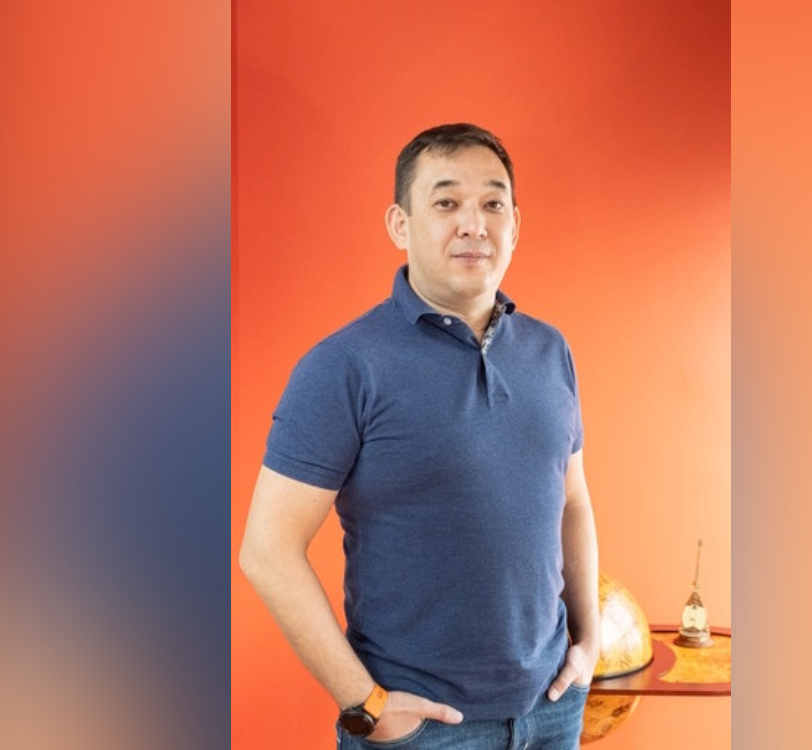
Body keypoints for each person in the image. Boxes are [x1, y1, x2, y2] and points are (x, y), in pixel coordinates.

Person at [239, 123, 600, 749]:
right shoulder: (344, 366)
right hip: (422, 729)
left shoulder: (550, 350)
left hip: (552, 709)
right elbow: (267, 550)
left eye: (493, 204)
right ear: (400, 225)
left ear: (515, 224)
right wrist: (365, 704)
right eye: (446, 202)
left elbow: (572, 501)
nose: (473, 224)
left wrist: (589, 641)